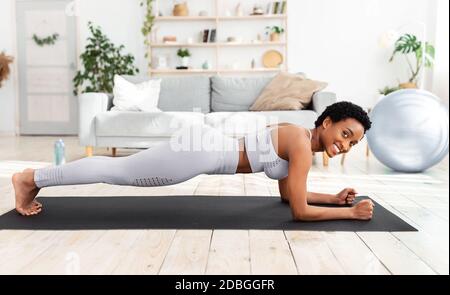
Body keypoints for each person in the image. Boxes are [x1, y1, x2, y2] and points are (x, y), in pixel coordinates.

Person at [12, 101, 374, 221]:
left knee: (118, 170)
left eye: (353, 144)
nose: (345, 145)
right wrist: (350, 213)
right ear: (326, 122)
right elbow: (299, 212)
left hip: (203, 147)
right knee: (116, 171)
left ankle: (34, 178)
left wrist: (332, 198)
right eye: (345, 134)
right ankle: (31, 178)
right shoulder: (298, 141)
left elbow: (288, 197)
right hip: (200, 152)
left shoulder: (297, 139)